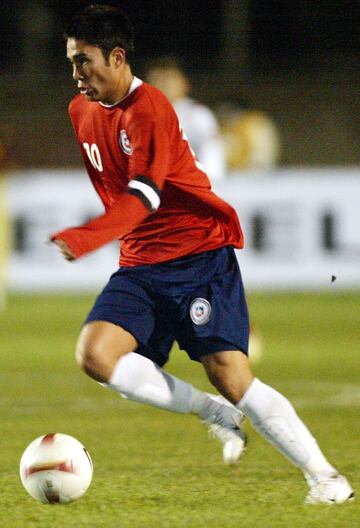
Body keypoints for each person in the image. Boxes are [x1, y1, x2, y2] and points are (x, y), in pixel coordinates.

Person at [51, 5, 354, 504]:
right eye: (70, 62)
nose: (76, 74)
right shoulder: (80, 111)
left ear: (117, 56)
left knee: (231, 374)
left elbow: (146, 193)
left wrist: (87, 237)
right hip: (141, 263)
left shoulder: (152, 109)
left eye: (83, 61)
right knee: (95, 356)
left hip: (197, 256)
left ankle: (326, 478)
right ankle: (214, 413)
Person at [145, 56, 226, 182]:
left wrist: (210, 185)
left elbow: (212, 152)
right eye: (157, 78)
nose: (164, 84)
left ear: (184, 83)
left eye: (170, 78)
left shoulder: (197, 115)